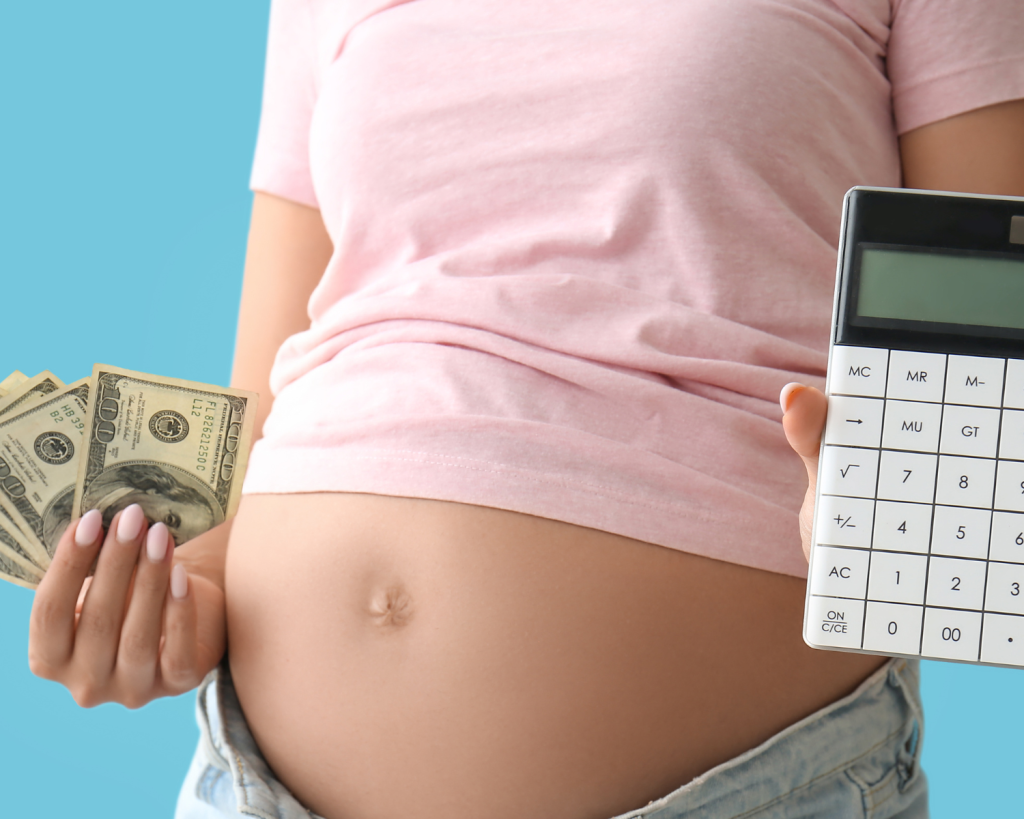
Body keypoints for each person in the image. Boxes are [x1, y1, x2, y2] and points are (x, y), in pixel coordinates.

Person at [26, 1, 1024, 817]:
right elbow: (256, 415)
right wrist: (165, 607)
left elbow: (973, 383)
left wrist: (890, 523)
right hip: (260, 787)